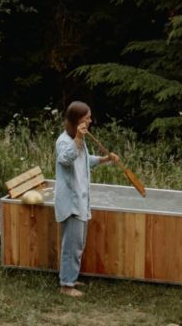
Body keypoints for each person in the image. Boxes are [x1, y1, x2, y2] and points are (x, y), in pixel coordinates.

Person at [54, 101, 119, 297]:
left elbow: (83, 161)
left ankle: (71, 278)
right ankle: (66, 285)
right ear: (76, 121)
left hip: (81, 201)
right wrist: (79, 139)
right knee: (72, 245)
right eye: (86, 118)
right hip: (71, 202)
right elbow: (65, 159)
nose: (90, 121)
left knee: (78, 244)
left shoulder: (78, 140)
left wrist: (104, 159)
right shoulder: (64, 141)